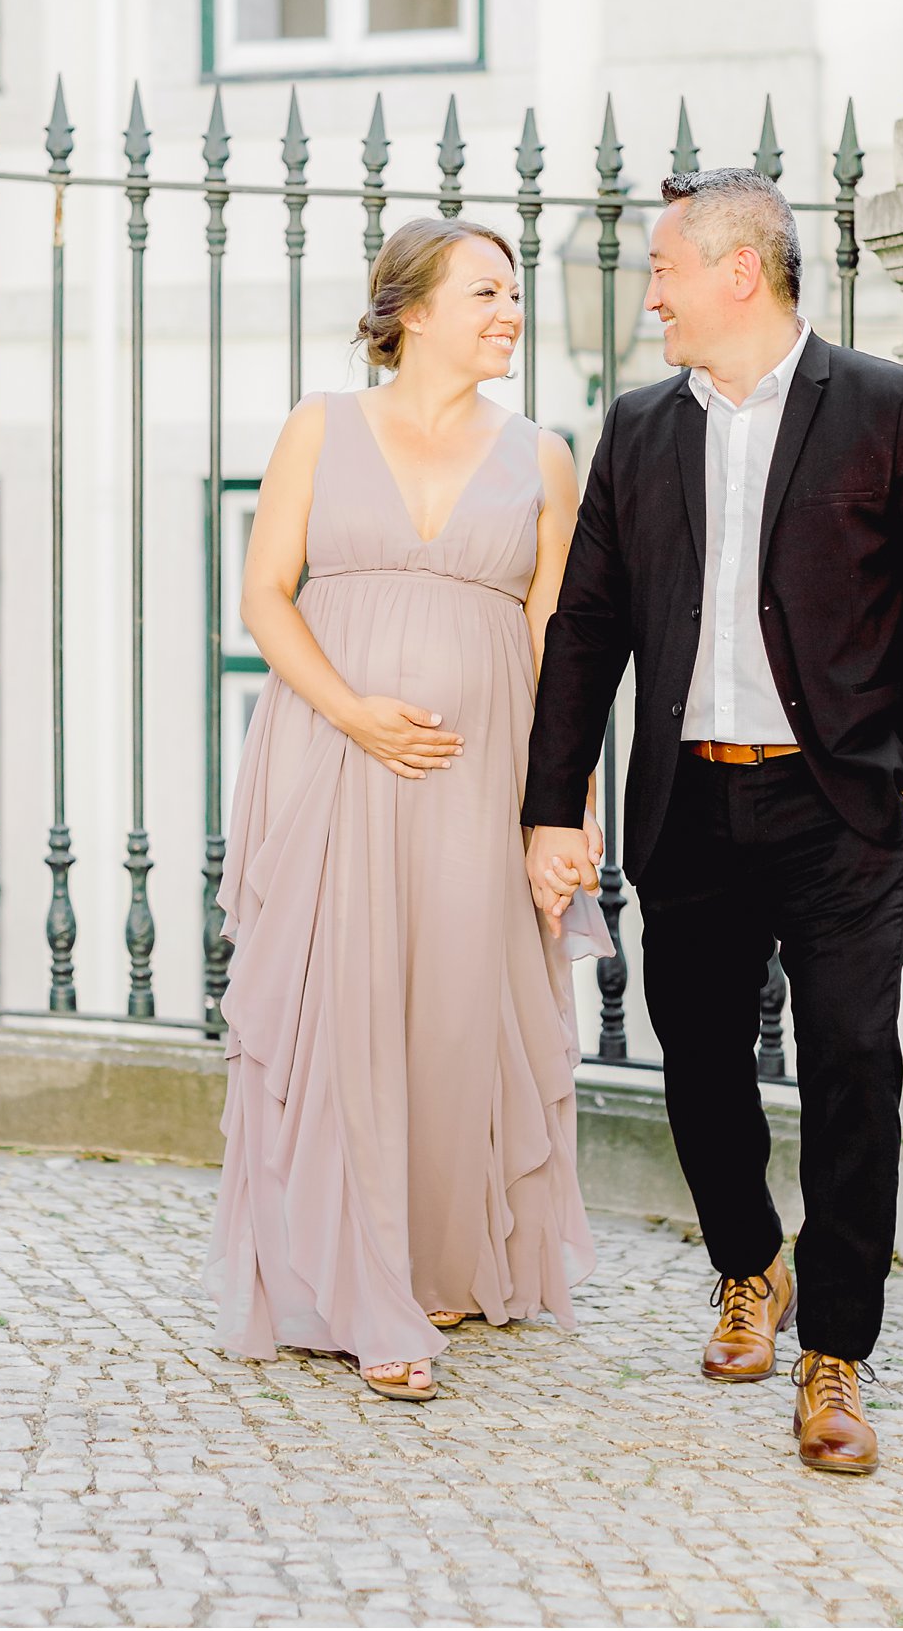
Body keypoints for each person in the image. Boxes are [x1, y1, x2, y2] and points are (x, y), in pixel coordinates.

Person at [521, 166, 903, 1474]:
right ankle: (749, 1263)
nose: (652, 295)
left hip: (841, 803)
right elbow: (588, 632)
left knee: (853, 1067)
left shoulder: (893, 412)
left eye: (667, 269)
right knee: (696, 1061)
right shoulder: (638, 429)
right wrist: (547, 804)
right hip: (690, 801)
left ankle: (836, 1356)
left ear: (742, 270)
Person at [204, 217, 608, 1402]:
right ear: (413, 309)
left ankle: (429, 1256)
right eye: (485, 291)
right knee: (342, 1006)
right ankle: (362, 1291)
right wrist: (352, 710)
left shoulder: (542, 456)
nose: (508, 312)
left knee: (450, 1015)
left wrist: (560, 814)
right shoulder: (319, 428)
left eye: (514, 293)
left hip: (481, 779)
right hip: (332, 754)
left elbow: (558, 651)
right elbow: (266, 597)